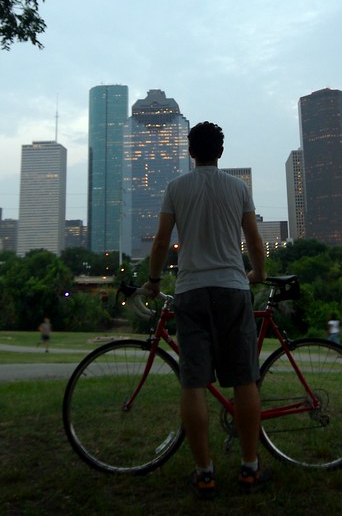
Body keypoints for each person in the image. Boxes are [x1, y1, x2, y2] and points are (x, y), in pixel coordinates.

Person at [147, 121, 270, 500]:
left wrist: (153, 280)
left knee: (194, 382)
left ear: (190, 152)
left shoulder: (176, 189)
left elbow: (163, 240)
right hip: (233, 289)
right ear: (220, 152)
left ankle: (204, 473)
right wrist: (258, 274)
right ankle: (249, 468)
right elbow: (253, 240)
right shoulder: (238, 188)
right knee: (244, 380)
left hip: (191, 292)